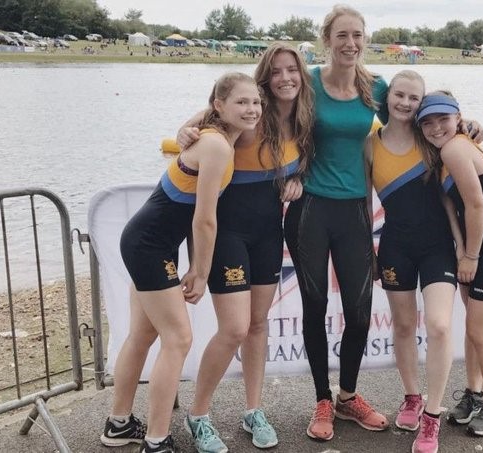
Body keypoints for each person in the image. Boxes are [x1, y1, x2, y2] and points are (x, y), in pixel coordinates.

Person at [99, 72, 262, 453]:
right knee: (178, 339)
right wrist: (200, 272)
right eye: (241, 102)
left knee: (142, 335)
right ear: (219, 105)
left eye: (256, 102)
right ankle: (156, 440)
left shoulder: (216, 136)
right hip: (149, 245)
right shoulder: (216, 145)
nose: (251, 109)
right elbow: (204, 220)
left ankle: (119, 424)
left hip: (151, 242)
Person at [175, 43, 314, 452]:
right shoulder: (248, 113)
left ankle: (253, 410)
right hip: (227, 234)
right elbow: (206, 119)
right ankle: (198, 415)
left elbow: (308, 159)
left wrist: (299, 179)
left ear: (302, 76)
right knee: (234, 328)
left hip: (268, 233)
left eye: (292, 70)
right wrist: (184, 130)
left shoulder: (304, 120)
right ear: (265, 77)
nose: (285, 78)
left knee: (257, 325)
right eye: (277, 71)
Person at [283, 4, 392, 442]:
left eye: (357, 35)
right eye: (342, 35)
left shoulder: (376, 88)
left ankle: (348, 397)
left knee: (360, 313)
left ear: (365, 40)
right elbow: (256, 109)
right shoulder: (307, 82)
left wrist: (463, 127)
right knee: (314, 308)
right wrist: (197, 126)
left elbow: (418, 121)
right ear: (327, 39)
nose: (350, 43)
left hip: (354, 211)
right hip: (310, 208)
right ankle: (322, 400)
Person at [365, 70, 483, 453]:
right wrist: (368, 249)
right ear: (388, 99)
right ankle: (412, 397)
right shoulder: (370, 144)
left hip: (437, 247)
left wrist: (462, 246)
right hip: (395, 246)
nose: (405, 103)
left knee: (439, 325)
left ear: (421, 104)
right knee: (402, 325)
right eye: (399, 95)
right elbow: (364, 202)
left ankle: (431, 416)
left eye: (413, 98)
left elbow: (450, 193)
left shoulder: (431, 138)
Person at [416, 90, 483, 438]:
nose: (436, 127)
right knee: (473, 328)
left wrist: (471, 256)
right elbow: (453, 208)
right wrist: (462, 249)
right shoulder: (442, 152)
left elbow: (477, 205)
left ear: (458, 117)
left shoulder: (455, 149)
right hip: (475, 247)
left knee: (479, 331)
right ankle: (474, 394)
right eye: (427, 122)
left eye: (443, 119)